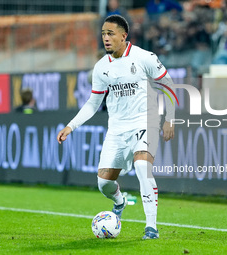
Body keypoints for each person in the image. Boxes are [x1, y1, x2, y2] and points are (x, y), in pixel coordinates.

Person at [57, 15, 175, 240]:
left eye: (110, 33)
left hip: (145, 122)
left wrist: (170, 119)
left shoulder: (144, 57)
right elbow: (93, 103)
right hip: (117, 129)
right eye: (103, 34)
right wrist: (71, 126)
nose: (106, 38)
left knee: (143, 167)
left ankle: (151, 227)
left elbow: (168, 86)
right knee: (104, 183)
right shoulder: (101, 67)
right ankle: (120, 202)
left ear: (124, 35)